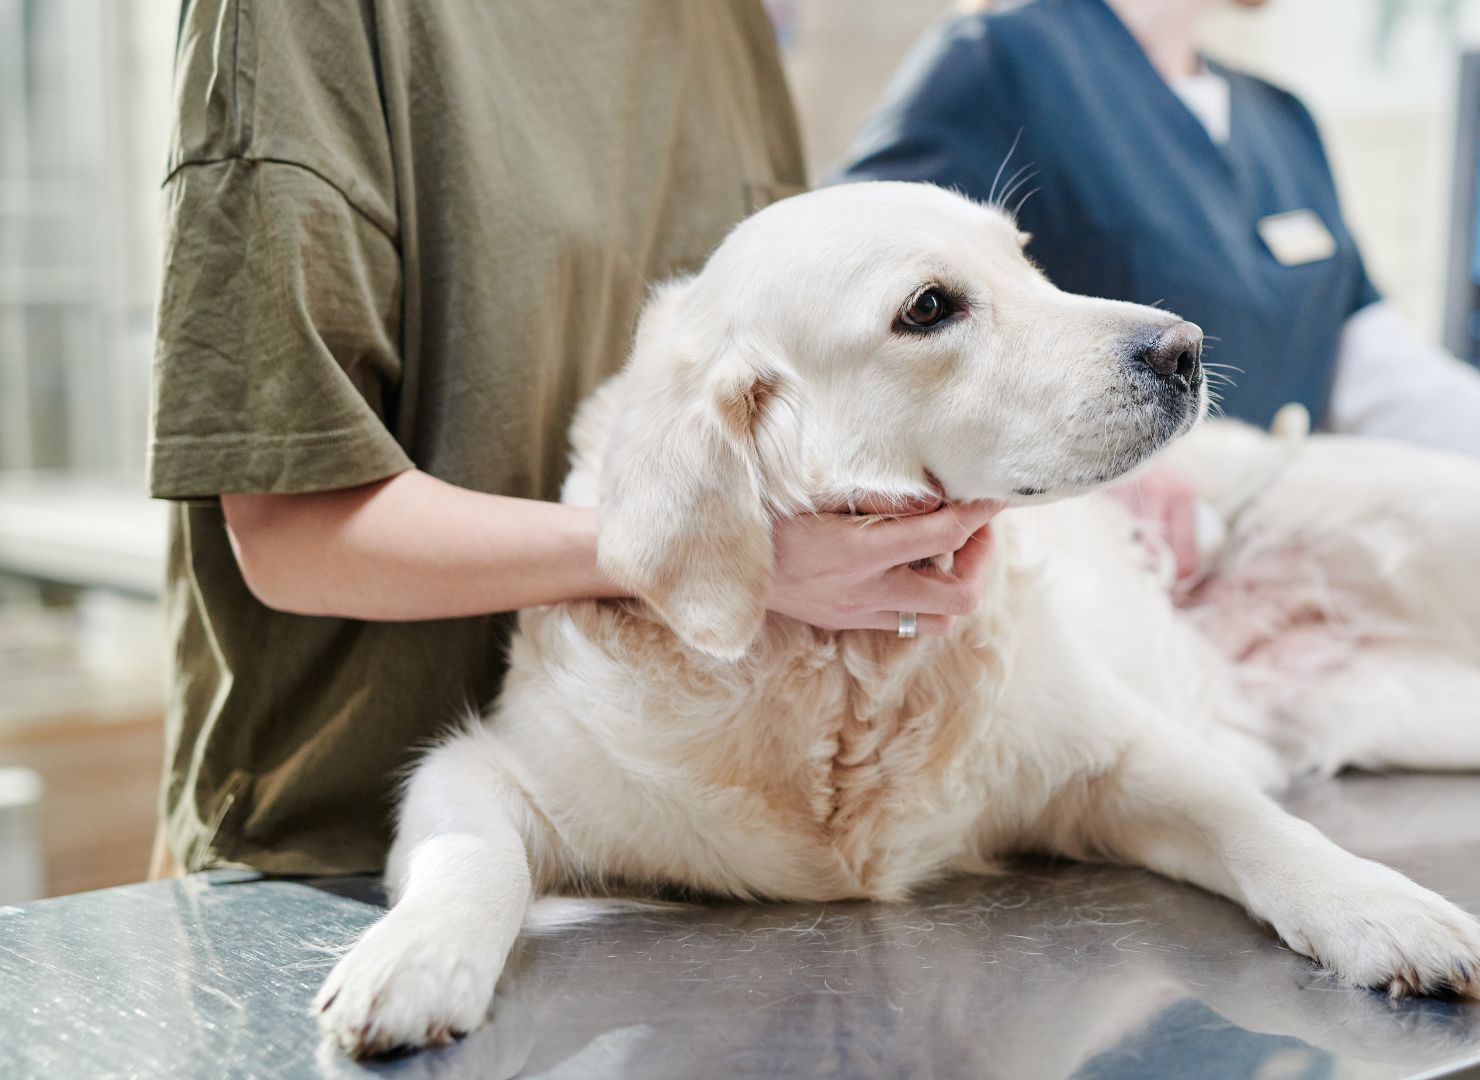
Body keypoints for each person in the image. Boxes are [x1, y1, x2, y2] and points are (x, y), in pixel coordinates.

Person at [147, 0, 996, 876]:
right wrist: (706, 550)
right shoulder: (303, 21)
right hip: (341, 862)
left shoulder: (724, 26)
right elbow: (294, 534)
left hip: (689, 846)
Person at [833, 0, 1480, 641]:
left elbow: (1382, 380)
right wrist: (1102, 481)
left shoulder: (1279, 119)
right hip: (1098, 631)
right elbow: (848, 339)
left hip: (1287, 617)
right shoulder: (999, 61)